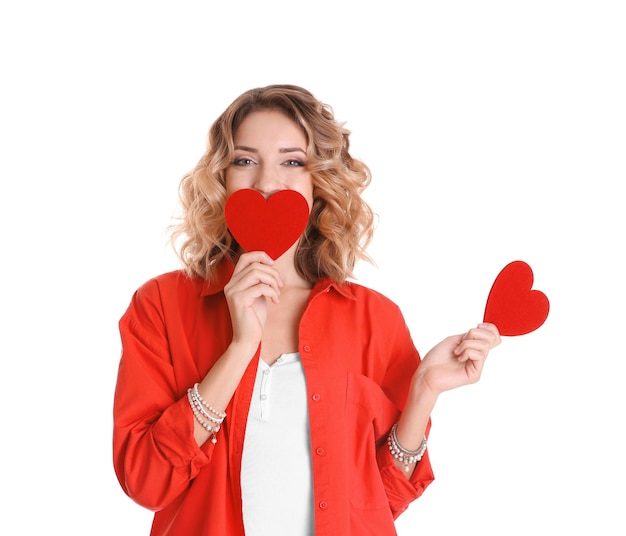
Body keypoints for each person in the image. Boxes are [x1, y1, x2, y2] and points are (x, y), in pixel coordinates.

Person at [112, 84, 501, 536]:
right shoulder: (160, 306)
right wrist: (241, 347)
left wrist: (425, 390)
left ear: (319, 183)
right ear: (222, 177)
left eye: (292, 161)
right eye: (245, 160)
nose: (266, 181)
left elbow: (384, 499)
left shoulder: (375, 319)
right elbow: (145, 482)